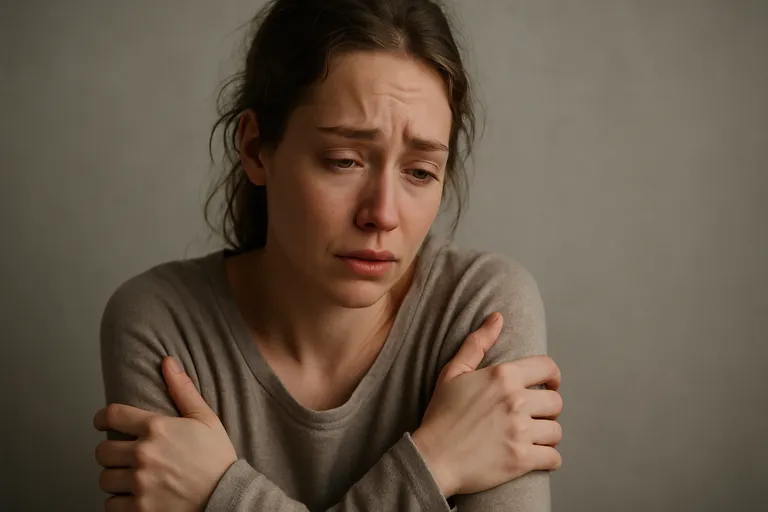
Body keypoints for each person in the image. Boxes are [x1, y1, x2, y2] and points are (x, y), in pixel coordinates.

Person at [92, 0, 564, 510]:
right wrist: (436, 463)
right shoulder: (163, 325)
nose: (382, 214)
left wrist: (221, 496)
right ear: (255, 149)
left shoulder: (483, 311)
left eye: (420, 171)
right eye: (344, 160)